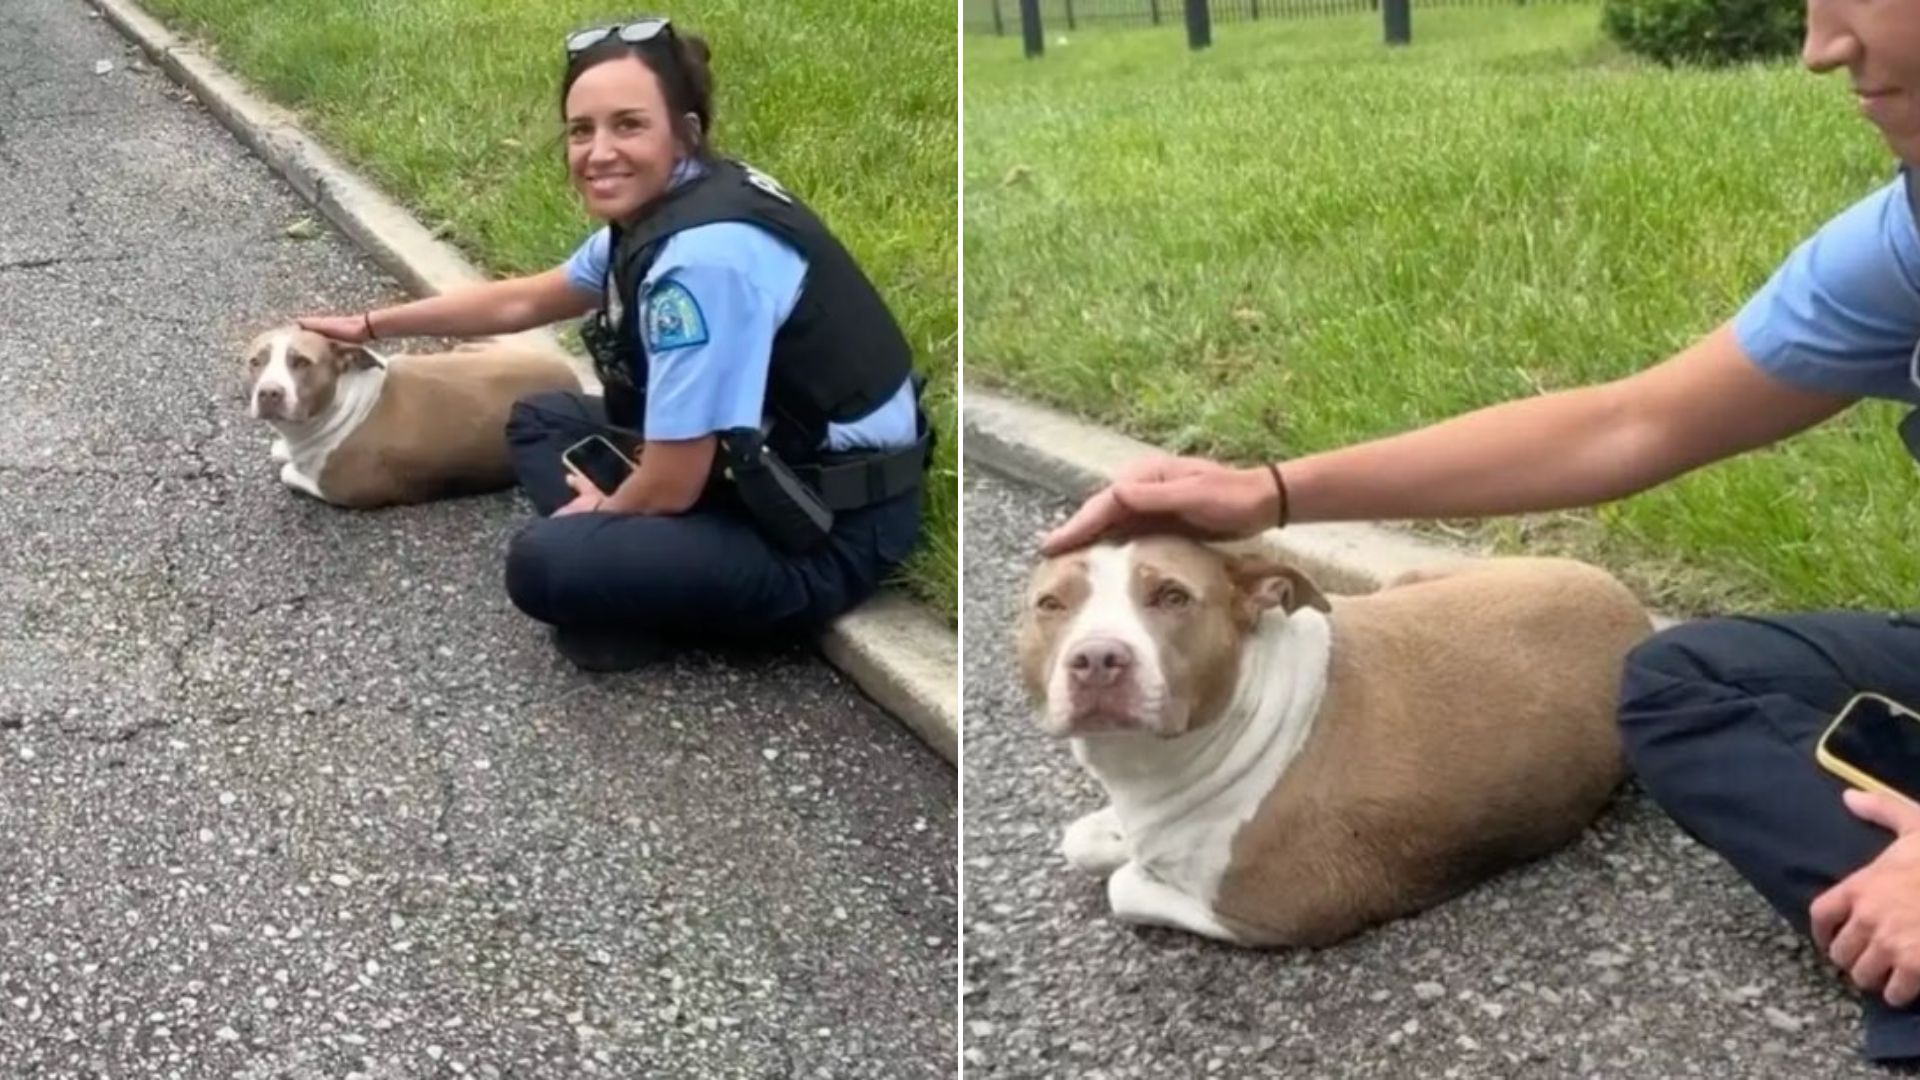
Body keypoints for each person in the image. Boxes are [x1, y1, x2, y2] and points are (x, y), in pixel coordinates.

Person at [1042, 3, 1920, 1064]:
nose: (1820, 46)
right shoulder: (1905, 240)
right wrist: (1269, 491)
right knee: (1681, 683)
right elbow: (1626, 423)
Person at [300, 18, 931, 673]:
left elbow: (670, 484)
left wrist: (603, 510)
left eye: (628, 125)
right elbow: (527, 298)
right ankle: (631, 581)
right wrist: (371, 325)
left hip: (822, 531)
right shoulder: (674, 203)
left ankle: (631, 596)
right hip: (756, 464)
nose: (598, 151)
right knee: (540, 415)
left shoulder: (701, 264)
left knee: (543, 560)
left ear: (684, 131)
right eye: (581, 130)